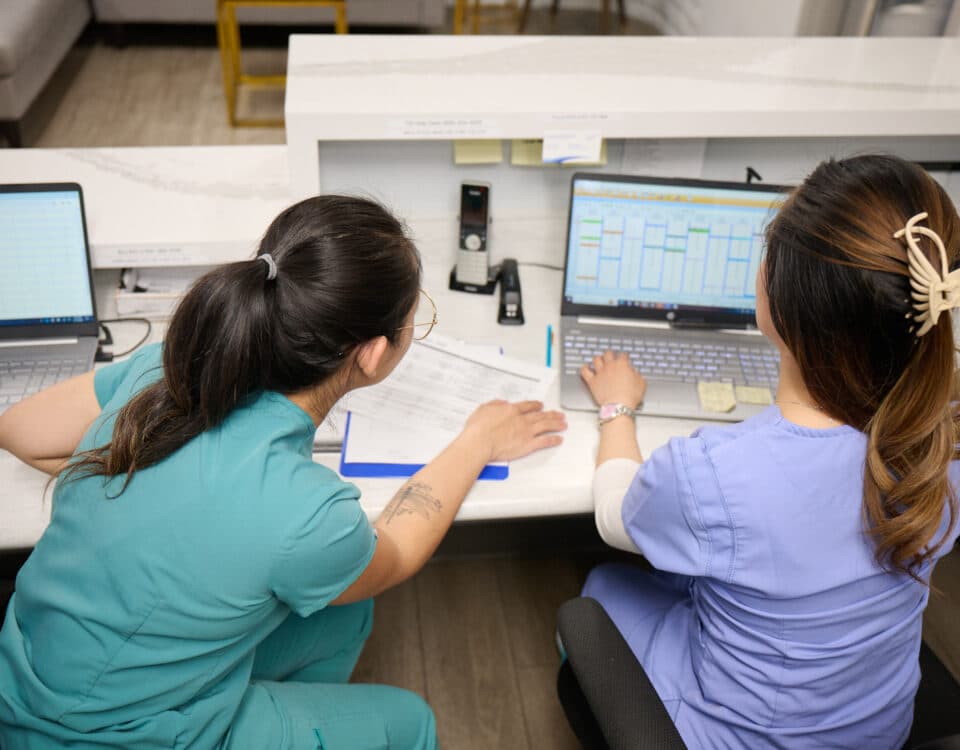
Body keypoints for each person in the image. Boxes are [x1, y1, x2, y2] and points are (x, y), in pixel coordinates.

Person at [0, 195, 566, 749]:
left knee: (346, 613)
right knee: (409, 721)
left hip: (27, 679)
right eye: (416, 320)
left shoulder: (168, 364)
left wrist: (141, 478)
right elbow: (395, 552)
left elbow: (18, 429)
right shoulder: (308, 515)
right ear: (370, 354)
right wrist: (479, 439)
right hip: (112, 735)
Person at [578, 154, 960, 748]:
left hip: (740, 737)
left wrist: (617, 410)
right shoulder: (947, 439)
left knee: (602, 584)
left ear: (780, 302)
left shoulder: (717, 474)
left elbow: (614, 516)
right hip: (878, 728)